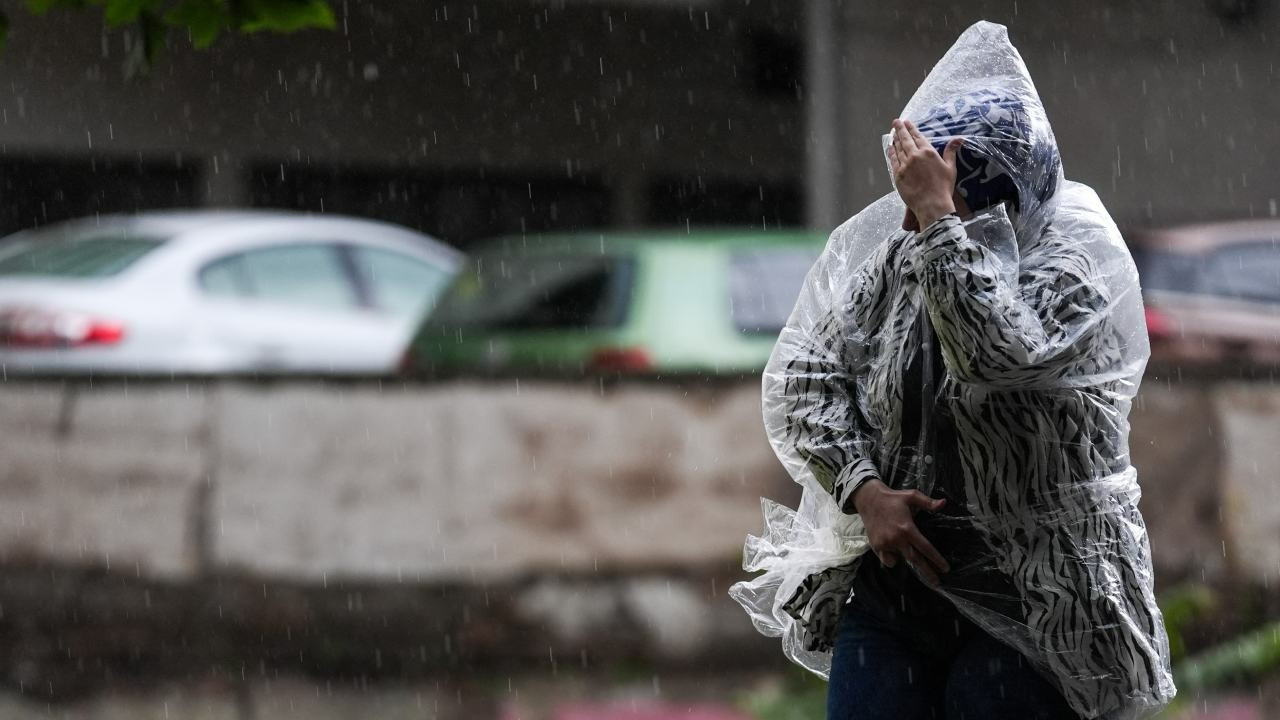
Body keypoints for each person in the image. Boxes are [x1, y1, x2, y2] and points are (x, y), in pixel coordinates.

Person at [729, 22, 1175, 720]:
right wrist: (864, 489)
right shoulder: (906, 256)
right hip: (894, 592)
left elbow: (996, 356)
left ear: (998, 198)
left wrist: (942, 221)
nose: (905, 227)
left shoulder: (1077, 270)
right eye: (908, 201)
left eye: (930, 197)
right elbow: (807, 375)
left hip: (1035, 602)